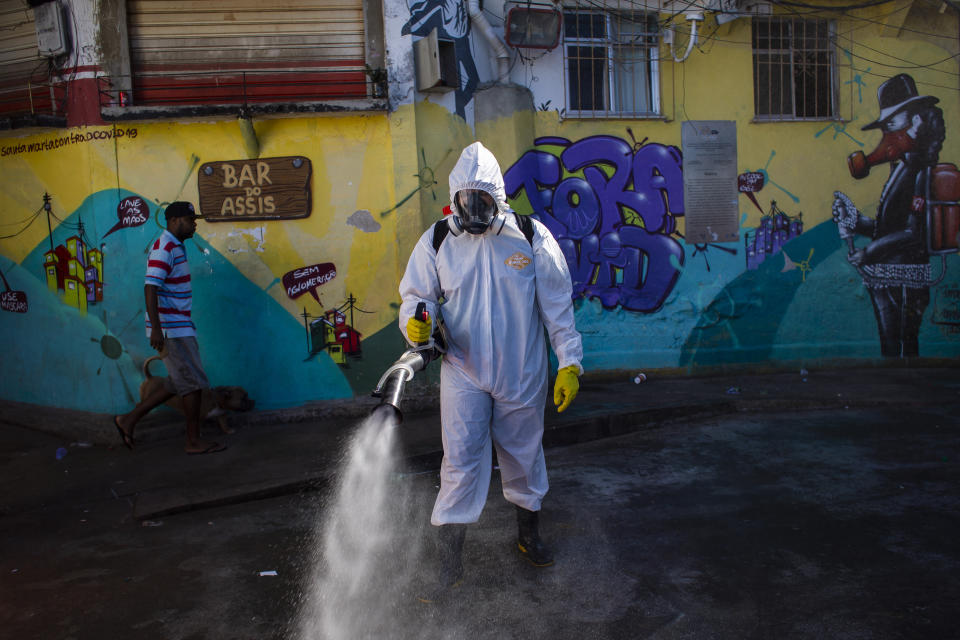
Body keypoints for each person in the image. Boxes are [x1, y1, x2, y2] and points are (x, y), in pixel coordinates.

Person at [398, 141, 583, 601]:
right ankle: (450, 562)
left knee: (523, 455)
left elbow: (558, 307)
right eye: (466, 201)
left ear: (498, 198)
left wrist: (570, 363)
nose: (473, 211)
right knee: (459, 462)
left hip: (522, 370)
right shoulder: (438, 240)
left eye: (482, 201)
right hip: (464, 369)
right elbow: (417, 297)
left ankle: (529, 534)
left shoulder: (530, 236)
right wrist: (417, 323)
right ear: (454, 197)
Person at [833, 74, 946, 357]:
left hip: (905, 276)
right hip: (887, 275)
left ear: (918, 122)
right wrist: (855, 220)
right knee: (891, 345)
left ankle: (907, 390)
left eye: (893, 124)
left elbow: (912, 232)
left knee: (902, 346)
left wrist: (869, 253)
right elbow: (886, 227)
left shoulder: (921, 173)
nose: (888, 137)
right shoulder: (901, 169)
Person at [113, 201, 226, 455]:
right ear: (175, 220)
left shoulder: (175, 245)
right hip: (171, 329)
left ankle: (128, 420)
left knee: (178, 382)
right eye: (190, 219)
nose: (194, 224)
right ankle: (193, 441)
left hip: (177, 325)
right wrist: (156, 329)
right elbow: (150, 287)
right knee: (193, 384)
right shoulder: (165, 247)